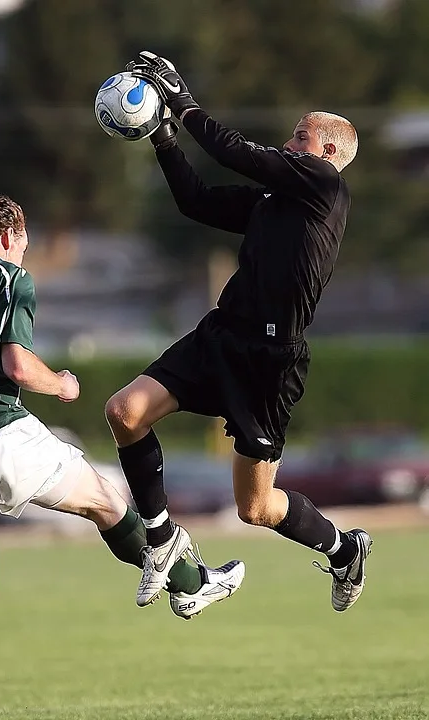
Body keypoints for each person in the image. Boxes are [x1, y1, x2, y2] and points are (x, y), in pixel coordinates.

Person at [0, 195, 244, 713]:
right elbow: (19, 367)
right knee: (107, 502)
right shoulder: (7, 275)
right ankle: (191, 584)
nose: (23, 252)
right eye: (24, 242)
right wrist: (63, 385)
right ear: (8, 235)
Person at [106, 51, 372, 613]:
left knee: (255, 508)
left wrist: (184, 102)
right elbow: (196, 201)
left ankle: (344, 549)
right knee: (124, 412)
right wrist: (162, 138)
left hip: (269, 362)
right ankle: (161, 539)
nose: (288, 142)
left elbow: (233, 152)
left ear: (326, 153)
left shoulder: (324, 188)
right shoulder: (278, 200)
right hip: (220, 335)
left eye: (300, 137)